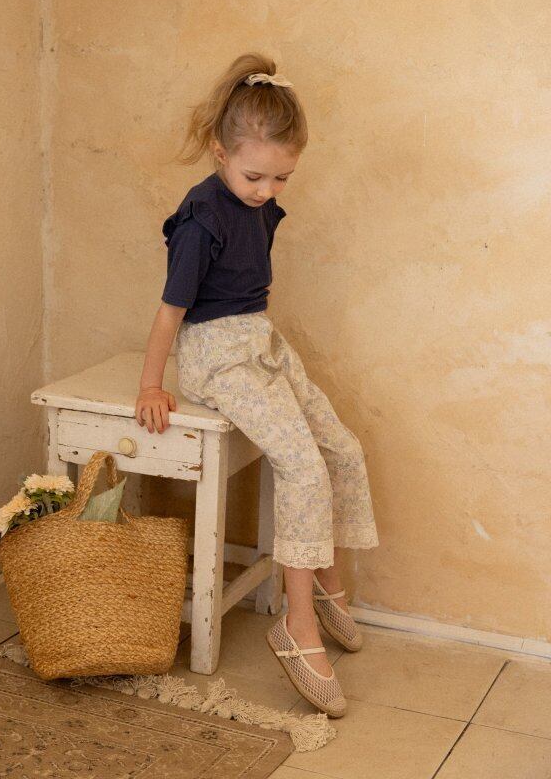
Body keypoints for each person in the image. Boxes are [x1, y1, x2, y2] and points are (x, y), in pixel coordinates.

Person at [135, 52, 379, 717]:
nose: (267, 190)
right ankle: (297, 625)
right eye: (255, 176)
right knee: (301, 467)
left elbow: (250, 297)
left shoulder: (261, 205)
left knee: (342, 447)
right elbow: (171, 313)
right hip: (216, 354)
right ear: (220, 151)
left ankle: (325, 582)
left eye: (281, 177)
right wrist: (152, 384)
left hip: (258, 340)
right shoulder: (202, 219)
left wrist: (263, 344)